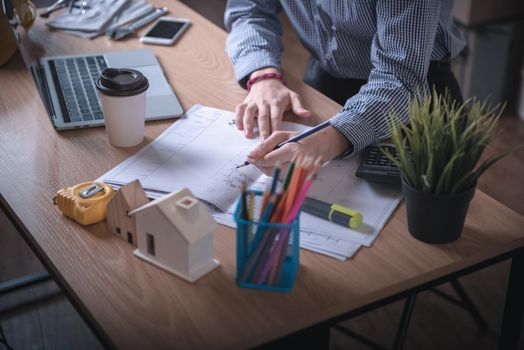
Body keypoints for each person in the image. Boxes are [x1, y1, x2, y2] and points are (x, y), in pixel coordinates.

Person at [224, 1, 465, 171]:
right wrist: (263, 74)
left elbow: (399, 78)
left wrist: (326, 142)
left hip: (417, 94)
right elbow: (248, 10)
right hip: (326, 78)